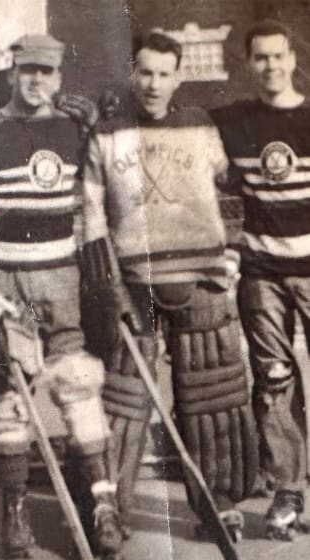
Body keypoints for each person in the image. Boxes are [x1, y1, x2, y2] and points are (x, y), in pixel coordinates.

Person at [81, 28, 259, 542]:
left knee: (211, 394)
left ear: (178, 76)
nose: (153, 83)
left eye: (164, 73)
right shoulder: (107, 133)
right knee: (123, 400)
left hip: (200, 279)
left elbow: (236, 191)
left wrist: (228, 256)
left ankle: (219, 502)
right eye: (145, 72)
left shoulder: (201, 126)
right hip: (133, 283)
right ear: (133, 72)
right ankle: (110, 508)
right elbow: (91, 217)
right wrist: (106, 285)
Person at [0, 34, 123, 560]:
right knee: (9, 395)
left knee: (78, 382)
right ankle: (14, 514)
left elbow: (96, 203)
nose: (36, 81)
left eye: (46, 72)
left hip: (62, 277)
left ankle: (102, 506)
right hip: (11, 282)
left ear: (58, 78)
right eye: (27, 71)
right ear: (13, 72)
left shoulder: (74, 132)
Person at [211, 19, 310, 539]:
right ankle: (288, 491)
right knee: (273, 381)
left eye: (278, 56)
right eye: (261, 58)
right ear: (249, 64)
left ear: (293, 59)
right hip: (262, 273)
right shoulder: (234, 121)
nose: (271, 66)